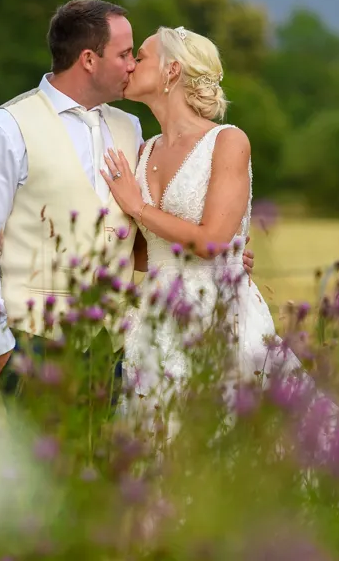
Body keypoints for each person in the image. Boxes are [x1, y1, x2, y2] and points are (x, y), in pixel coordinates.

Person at [0, 1, 255, 420]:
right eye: (125, 54)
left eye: (137, 55)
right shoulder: (1, 129)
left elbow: (132, 234)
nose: (131, 65)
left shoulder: (129, 130)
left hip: (117, 344)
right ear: (89, 59)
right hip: (33, 339)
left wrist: (220, 255)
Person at [100, 25, 302, 442]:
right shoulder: (144, 151)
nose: (131, 63)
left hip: (216, 314)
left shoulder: (227, 141)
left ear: (172, 70)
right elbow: (145, 253)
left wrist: (138, 206)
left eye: (142, 55)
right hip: (155, 319)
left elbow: (212, 240)